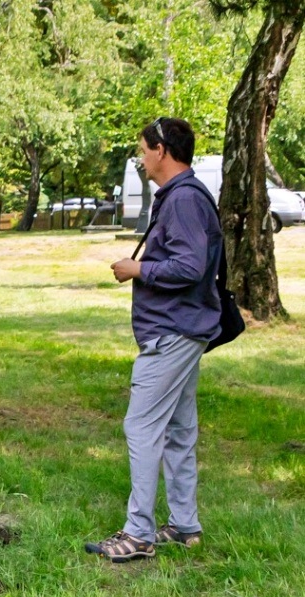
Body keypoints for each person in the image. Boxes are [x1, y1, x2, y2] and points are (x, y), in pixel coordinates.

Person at [86, 117, 221, 562]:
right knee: (179, 431)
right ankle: (184, 526)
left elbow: (189, 266)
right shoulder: (184, 196)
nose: (142, 159)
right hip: (184, 327)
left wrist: (137, 268)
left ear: (162, 150)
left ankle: (138, 534)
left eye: (144, 150)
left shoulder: (183, 199)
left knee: (141, 426)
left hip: (172, 331)